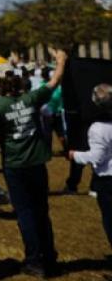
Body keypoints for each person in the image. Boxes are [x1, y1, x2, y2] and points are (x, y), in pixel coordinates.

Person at [0, 52, 66, 278]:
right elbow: (54, 81)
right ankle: (49, 257)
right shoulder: (31, 98)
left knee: (25, 214)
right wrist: (61, 61)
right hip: (37, 162)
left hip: (15, 165)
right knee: (41, 211)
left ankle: (34, 261)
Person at [68, 83, 112, 252]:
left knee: (109, 218)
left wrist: (75, 155)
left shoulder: (97, 128)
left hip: (107, 178)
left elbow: (96, 157)